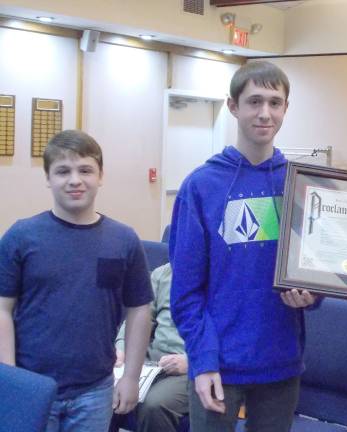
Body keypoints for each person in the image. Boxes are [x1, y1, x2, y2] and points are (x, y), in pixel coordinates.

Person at [169, 61, 317, 432]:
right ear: (233, 106)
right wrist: (202, 361)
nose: (264, 113)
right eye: (253, 102)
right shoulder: (200, 186)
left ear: (285, 108)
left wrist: (312, 295)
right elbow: (185, 291)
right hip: (218, 364)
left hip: (281, 361)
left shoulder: (302, 186)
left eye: (274, 102)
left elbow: (315, 272)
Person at [0, 130, 153, 432]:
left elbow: (140, 309)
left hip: (94, 391)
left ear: (101, 176)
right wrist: (9, 378)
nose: (74, 180)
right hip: (32, 386)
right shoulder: (21, 237)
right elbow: (2, 309)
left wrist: (131, 377)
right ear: (47, 178)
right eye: (62, 171)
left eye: (85, 170)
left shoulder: (123, 240)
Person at [115, 263, 188, 432]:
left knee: (153, 405)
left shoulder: (222, 278)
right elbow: (140, 316)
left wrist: (192, 361)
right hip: (153, 363)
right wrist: (122, 349)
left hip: (191, 366)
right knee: (105, 389)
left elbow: (233, 337)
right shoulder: (163, 273)